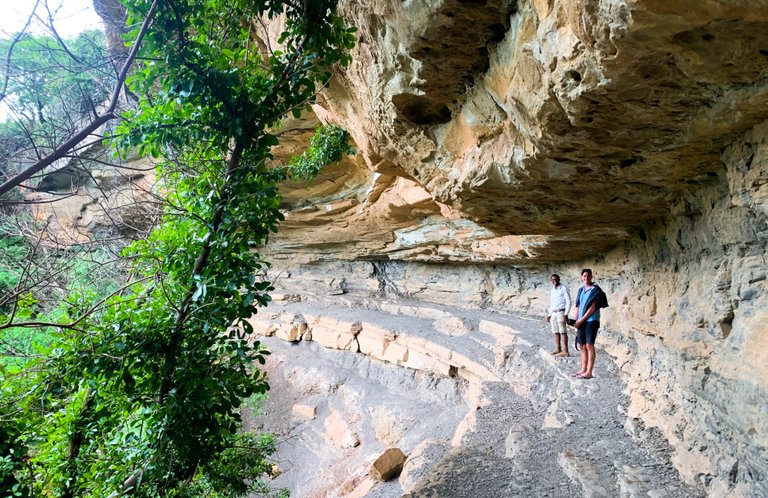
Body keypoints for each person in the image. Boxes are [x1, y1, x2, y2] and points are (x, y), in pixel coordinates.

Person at [571, 269, 608, 379]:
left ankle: (589, 372)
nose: (586, 278)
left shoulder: (596, 290)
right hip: (581, 321)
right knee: (581, 346)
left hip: (591, 321)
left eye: (588, 276)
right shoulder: (581, 290)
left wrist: (581, 320)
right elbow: (578, 306)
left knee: (589, 345)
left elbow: (593, 308)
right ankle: (583, 369)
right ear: (581, 277)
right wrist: (575, 320)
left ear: (591, 277)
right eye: (584, 276)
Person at [546, 274, 571, 357]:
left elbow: (568, 301)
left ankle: (565, 351)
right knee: (556, 331)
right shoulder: (552, 290)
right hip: (554, 312)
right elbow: (552, 303)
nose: (555, 281)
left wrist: (566, 313)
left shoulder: (563, 288)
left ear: (559, 279)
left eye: (556, 279)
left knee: (563, 331)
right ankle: (558, 349)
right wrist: (549, 314)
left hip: (561, 312)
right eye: (553, 279)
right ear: (551, 281)